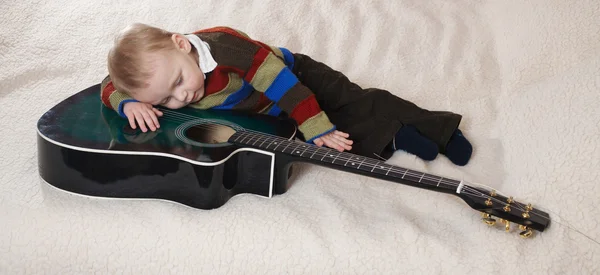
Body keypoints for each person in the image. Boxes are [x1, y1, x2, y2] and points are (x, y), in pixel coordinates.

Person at [100, 23, 472, 165]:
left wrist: (313, 124)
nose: (183, 97)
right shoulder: (157, 75)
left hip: (291, 74)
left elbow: (283, 85)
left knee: (355, 101)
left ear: (181, 45)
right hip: (264, 108)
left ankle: (441, 130)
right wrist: (129, 101)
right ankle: (398, 135)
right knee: (333, 140)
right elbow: (109, 86)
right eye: (166, 100)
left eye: (180, 82)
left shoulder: (227, 50)